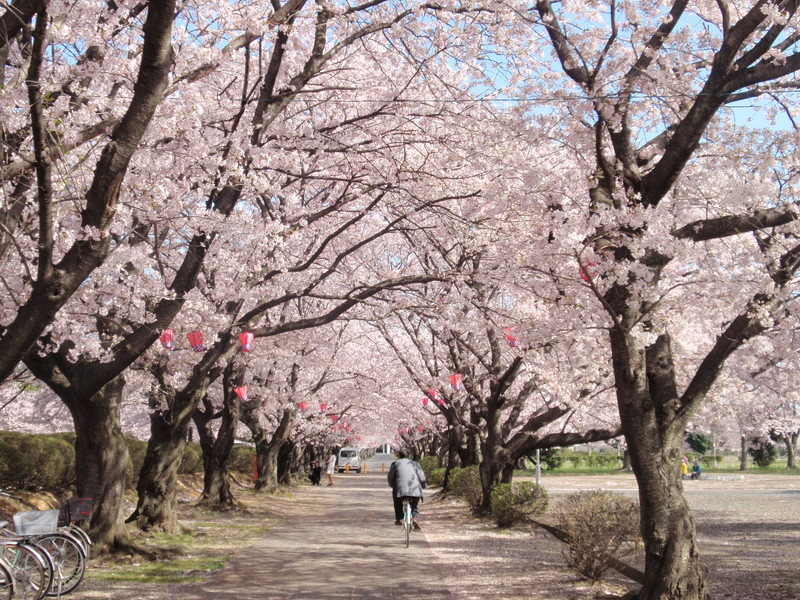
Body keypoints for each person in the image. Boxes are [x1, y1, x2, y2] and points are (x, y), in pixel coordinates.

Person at [387, 450, 427, 531]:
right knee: (414, 506)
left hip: (401, 491)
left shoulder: (395, 464)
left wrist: (392, 485)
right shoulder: (415, 463)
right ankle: (415, 518)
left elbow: (391, 477)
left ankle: (399, 519)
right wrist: (423, 486)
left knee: (397, 503)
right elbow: (422, 477)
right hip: (415, 490)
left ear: (398, 455)